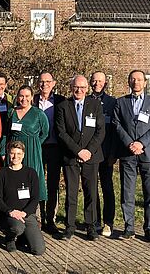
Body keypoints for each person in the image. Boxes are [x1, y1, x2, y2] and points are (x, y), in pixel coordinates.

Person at [55, 75, 105, 241]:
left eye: (83, 87)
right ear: (71, 87)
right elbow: (61, 133)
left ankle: (91, 226)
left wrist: (88, 151)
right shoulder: (63, 106)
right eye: (76, 87)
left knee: (91, 192)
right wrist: (78, 151)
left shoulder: (95, 105)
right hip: (71, 156)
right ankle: (70, 227)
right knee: (71, 193)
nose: (79, 90)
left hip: (91, 157)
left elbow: (100, 131)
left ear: (87, 89)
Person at [113, 70, 150, 241]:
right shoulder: (121, 102)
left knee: (149, 193)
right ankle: (129, 228)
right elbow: (116, 124)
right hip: (127, 154)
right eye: (133, 79)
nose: (136, 82)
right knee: (127, 192)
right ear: (128, 82)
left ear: (145, 83)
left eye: (140, 79)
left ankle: (149, 228)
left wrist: (141, 143)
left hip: (147, 153)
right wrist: (130, 143)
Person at [0, 141, 45, 255]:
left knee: (39, 250)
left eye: (18, 153)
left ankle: (23, 237)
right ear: (8, 154)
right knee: (17, 228)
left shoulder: (31, 173)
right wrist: (10, 211)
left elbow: (35, 198)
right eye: (12, 153)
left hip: (27, 214)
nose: (15, 157)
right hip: (9, 215)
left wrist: (25, 213)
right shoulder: (1, 173)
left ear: (23, 155)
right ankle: (10, 238)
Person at [8, 85, 49, 220]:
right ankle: (13, 214)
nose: (24, 99)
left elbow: (45, 133)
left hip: (31, 151)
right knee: (14, 180)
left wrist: (35, 144)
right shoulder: (11, 112)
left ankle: (33, 215)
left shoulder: (38, 114)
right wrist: (4, 151)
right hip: (14, 151)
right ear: (17, 97)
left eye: (27, 96)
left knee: (31, 181)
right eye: (21, 96)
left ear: (32, 97)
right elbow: (6, 134)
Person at [32, 72, 65, 234]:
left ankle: (50, 219)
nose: (44, 84)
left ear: (53, 83)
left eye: (47, 82)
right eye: (41, 81)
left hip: (55, 147)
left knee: (53, 184)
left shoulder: (60, 101)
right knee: (37, 182)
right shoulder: (32, 100)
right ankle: (37, 218)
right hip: (36, 148)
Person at [89, 71, 117, 237]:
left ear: (105, 83)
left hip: (106, 154)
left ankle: (108, 222)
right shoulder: (86, 101)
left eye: (100, 81)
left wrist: (113, 153)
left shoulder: (113, 103)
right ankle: (95, 220)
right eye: (94, 81)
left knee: (107, 188)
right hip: (91, 153)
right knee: (92, 189)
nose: (97, 83)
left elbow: (115, 131)